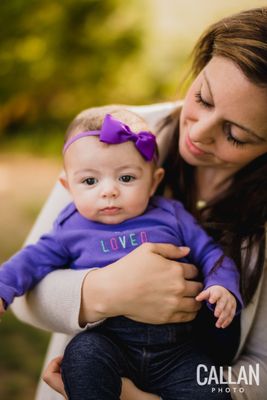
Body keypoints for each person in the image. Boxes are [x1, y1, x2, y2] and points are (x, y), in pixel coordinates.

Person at [10, 6, 267, 400]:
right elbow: (27, 295)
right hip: (102, 357)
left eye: (235, 134)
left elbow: (262, 369)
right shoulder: (101, 141)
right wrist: (103, 291)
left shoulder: (196, 217)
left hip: (184, 373)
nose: (198, 132)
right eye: (203, 97)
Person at [0, 107, 241, 399]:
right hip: (109, 341)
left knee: (210, 389)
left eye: (126, 178)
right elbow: (30, 261)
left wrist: (222, 285)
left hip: (177, 350)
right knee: (82, 356)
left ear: (154, 181)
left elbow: (210, 253)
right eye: (90, 181)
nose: (109, 191)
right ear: (68, 186)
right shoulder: (70, 229)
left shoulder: (172, 215)